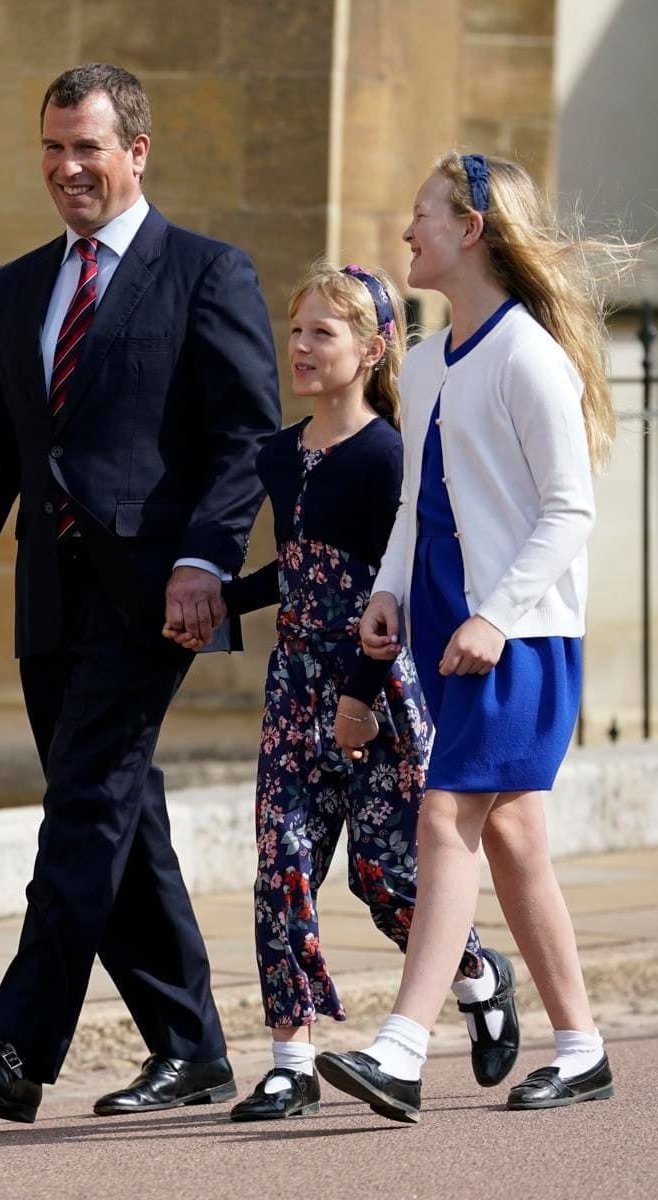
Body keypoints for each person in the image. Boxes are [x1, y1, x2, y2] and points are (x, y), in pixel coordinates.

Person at [0, 64, 281, 1124]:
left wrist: (207, 561)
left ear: (136, 154)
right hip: (47, 594)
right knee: (121, 814)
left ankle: (19, 1047)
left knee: (81, 807)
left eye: (87, 147)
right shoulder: (16, 285)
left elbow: (244, 439)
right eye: (52, 147)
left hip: (156, 596)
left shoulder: (209, 273)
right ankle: (192, 1047)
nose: (67, 168)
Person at [167, 262, 517, 1121]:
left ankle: (476, 974)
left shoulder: (388, 456)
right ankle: (291, 1061)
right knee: (279, 865)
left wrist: (359, 698)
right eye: (296, 331)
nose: (301, 347)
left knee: (386, 879)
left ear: (370, 349)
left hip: (377, 692)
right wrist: (216, 595)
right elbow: (298, 571)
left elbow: (380, 594)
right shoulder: (279, 456)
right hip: (294, 688)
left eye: (322, 333)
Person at [317, 152, 621, 1121]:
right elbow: (415, 504)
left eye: (421, 215)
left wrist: (498, 616)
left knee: (447, 821)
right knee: (518, 841)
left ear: (472, 231)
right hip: (451, 630)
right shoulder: (422, 358)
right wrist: (389, 596)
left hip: (519, 637)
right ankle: (582, 1048)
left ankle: (403, 1049)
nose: (406, 232)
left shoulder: (531, 356)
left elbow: (571, 512)